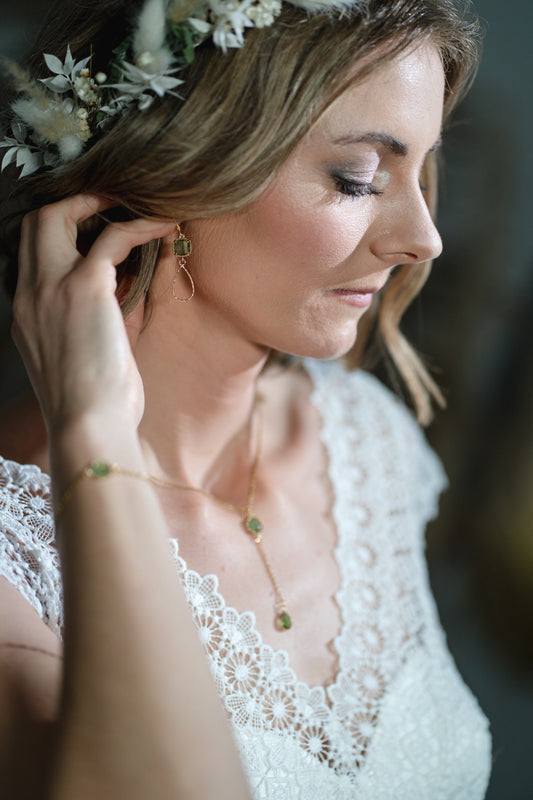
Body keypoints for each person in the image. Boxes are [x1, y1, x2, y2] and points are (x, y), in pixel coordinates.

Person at [0, 0, 492, 797]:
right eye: (358, 177)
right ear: (175, 169)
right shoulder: (15, 567)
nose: (423, 239)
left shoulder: (364, 438)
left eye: (422, 171)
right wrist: (95, 436)